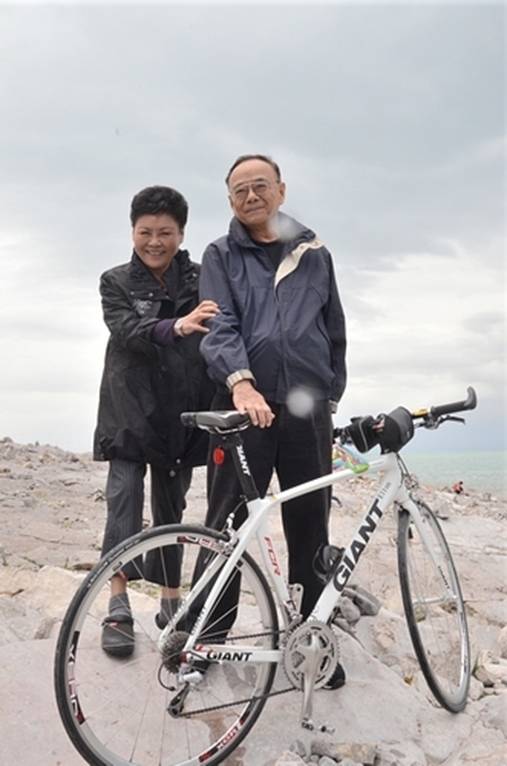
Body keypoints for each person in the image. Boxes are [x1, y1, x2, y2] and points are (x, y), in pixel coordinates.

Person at [195, 154, 347, 688]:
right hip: (246, 410)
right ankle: (205, 638)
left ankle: (310, 643)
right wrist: (240, 382)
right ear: (230, 200)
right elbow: (218, 325)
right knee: (226, 527)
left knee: (312, 526)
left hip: (308, 412)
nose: (251, 196)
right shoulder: (219, 254)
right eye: (240, 190)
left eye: (260, 185)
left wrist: (330, 394)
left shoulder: (315, 253)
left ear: (281, 190)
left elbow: (333, 326)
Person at [94, 185, 218, 656]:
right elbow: (127, 331)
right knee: (123, 501)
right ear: (133, 231)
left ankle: (170, 603)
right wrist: (176, 326)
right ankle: (118, 603)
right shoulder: (115, 282)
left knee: (172, 508)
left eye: (165, 232)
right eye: (145, 232)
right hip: (127, 408)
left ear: (181, 233)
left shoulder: (204, 279)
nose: (154, 242)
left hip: (179, 410)